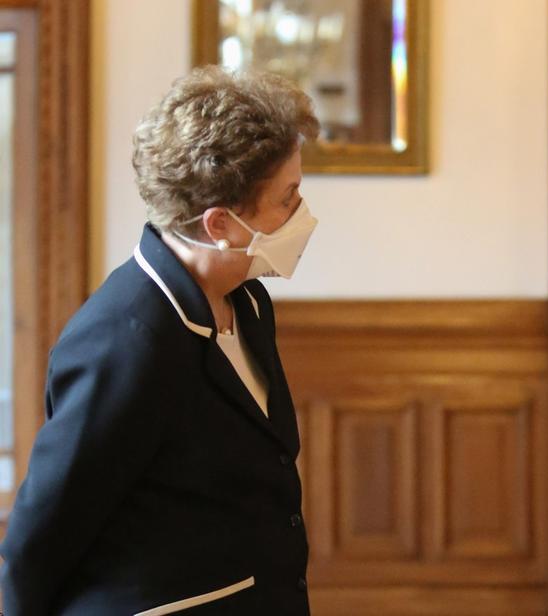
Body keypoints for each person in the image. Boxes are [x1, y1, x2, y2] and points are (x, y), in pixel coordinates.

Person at [0, 66, 320, 614]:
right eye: (287, 197)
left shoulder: (247, 302)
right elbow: (43, 535)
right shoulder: (122, 340)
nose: (301, 212)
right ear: (219, 224)